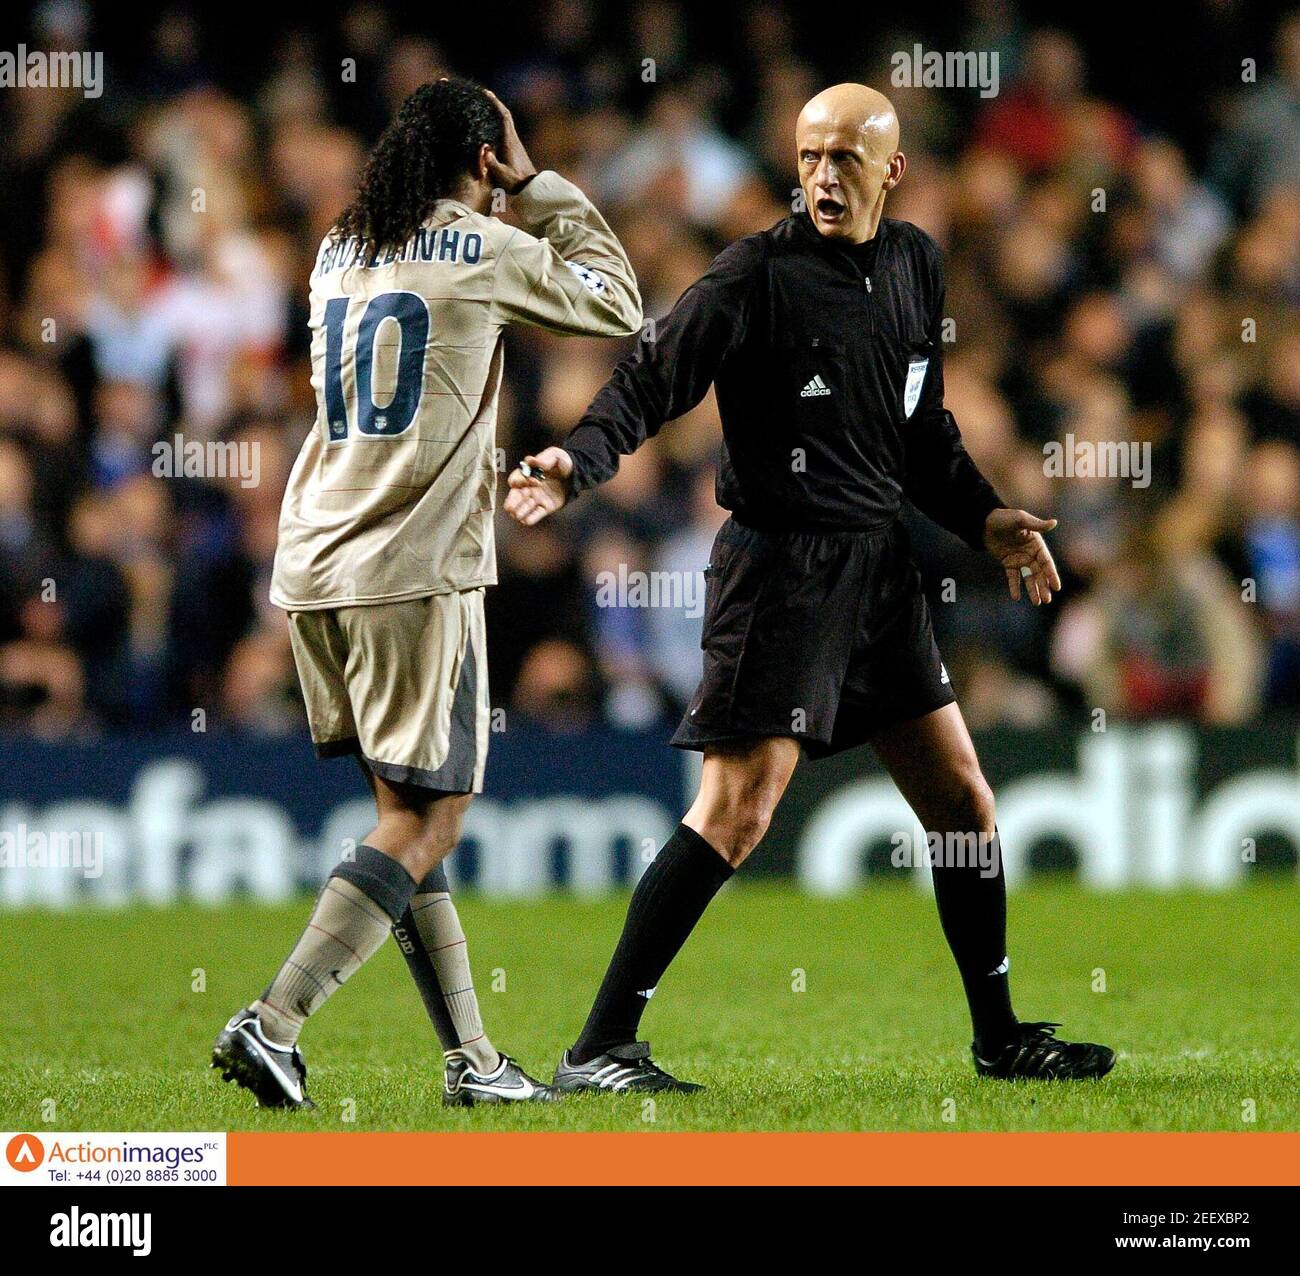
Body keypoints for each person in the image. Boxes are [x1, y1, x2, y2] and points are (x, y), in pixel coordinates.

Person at [507, 83, 1115, 1091]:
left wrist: (984, 516)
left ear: (893, 169)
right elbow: (651, 376)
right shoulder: (754, 276)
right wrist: (578, 461)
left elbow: (921, 430)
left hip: (877, 568)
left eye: (844, 158)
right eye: (809, 157)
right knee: (738, 809)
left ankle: (999, 1035)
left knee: (962, 803)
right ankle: (597, 1047)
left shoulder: (918, 263)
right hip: (781, 568)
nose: (824, 176)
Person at [212, 78, 642, 1108]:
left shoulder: (334, 252)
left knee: (405, 815)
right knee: (433, 817)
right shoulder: (486, 247)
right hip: (412, 568)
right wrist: (535, 186)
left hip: (315, 559)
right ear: (486, 157)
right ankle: (272, 1022)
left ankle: (473, 1060)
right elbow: (619, 300)